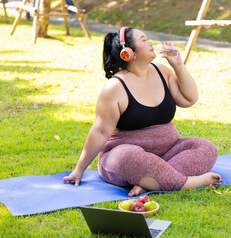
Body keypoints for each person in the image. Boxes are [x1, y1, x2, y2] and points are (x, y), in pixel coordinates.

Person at [63, 27, 222, 196]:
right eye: (144, 40)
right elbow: (100, 131)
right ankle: (187, 183)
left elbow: (189, 99)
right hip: (126, 159)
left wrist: (178, 65)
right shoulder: (115, 87)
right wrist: (79, 169)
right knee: (127, 156)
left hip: (167, 154)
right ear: (128, 53)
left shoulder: (162, 72)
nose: (150, 42)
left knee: (205, 147)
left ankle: (150, 183)